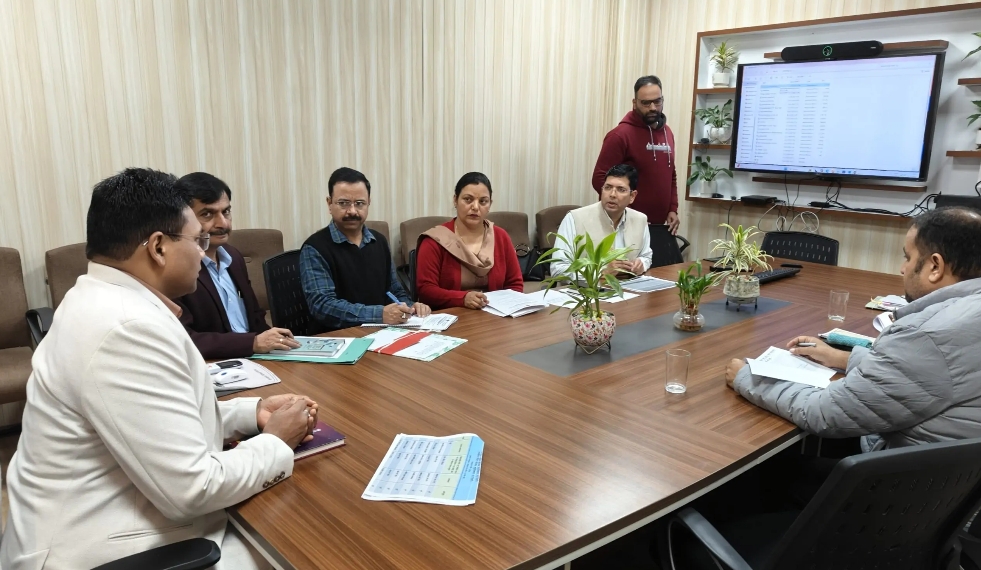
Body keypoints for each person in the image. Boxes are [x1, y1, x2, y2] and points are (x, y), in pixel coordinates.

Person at [0, 168, 318, 570]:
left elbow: (151, 418)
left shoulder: (99, 299)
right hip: (105, 552)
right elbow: (194, 489)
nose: (204, 254)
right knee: (305, 544)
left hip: (109, 515)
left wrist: (248, 413)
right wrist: (275, 440)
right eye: (198, 240)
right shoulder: (125, 329)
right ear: (158, 247)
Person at [725, 207, 981, 451]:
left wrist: (747, 378)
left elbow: (824, 413)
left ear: (935, 267)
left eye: (908, 257)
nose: (902, 269)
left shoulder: (926, 335)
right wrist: (843, 358)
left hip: (901, 475)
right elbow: (923, 374)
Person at [173, 172, 300, 360]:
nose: (223, 223)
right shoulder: (175, 268)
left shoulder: (234, 256)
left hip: (255, 360)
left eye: (226, 212)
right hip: (216, 364)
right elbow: (184, 339)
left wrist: (276, 341)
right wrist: (252, 343)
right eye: (207, 214)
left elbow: (255, 316)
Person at [301, 167, 431, 330]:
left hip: (382, 332)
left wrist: (410, 307)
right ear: (329, 203)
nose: (352, 211)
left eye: (359, 203)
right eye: (343, 203)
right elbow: (322, 306)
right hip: (338, 336)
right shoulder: (314, 248)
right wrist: (379, 314)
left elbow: (395, 291)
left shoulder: (379, 241)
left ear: (369, 202)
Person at [415, 172, 524, 310]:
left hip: (496, 315)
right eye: (468, 199)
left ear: (490, 204)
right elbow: (426, 291)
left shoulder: (501, 237)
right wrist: (463, 298)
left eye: (483, 201)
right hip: (450, 315)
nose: (475, 207)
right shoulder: (435, 240)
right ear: (455, 200)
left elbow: (515, 285)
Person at [592, 75, 680, 234]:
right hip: (624, 226)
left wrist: (672, 208)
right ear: (634, 103)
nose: (653, 107)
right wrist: (628, 214)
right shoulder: (620, 135)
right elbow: (599, 178)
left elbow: (670, 174)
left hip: (659, 227)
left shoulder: (667, 133)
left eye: (657, 101)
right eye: (646, 103)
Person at [550, 164, 654, 277]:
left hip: (630, 285)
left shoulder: (640, 219)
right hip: (586, 287)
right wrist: (600, 272)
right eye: (608, 187)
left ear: (632, 196)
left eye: (621, 189)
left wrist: (641, 263)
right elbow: (558, 268)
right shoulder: (574, 218)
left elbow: (646, 256)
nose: (612, 194)